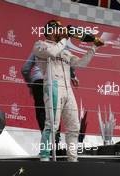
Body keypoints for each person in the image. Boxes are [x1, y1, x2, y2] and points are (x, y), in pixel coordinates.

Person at [32, 20, 103, 162]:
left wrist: (94, 47)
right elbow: (52, 52)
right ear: (51, 31)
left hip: (68, 90)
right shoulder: (40, 45)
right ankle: (45, 156)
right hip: (53, 86)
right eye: (58, 29)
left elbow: (81, 64)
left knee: (74, 127)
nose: (62, 31)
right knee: (52, 124)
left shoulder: (65, 51)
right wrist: (65, 38)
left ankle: (72, 158)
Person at [21, 53, 79, 145]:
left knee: (42, 112)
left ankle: (46, 142)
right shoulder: (60, 49)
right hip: (54, 81)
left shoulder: (38, 49)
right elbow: (69, 64)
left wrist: (30, 84)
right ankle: (55, 141)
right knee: (55, 110)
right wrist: (73, 76)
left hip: (39, 81)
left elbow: (25, 69)